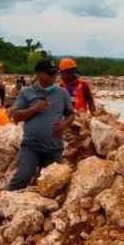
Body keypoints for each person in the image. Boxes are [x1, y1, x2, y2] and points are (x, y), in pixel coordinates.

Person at [7, 58, 75, 191]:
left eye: (55, 73)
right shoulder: (26, 93)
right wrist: (34, 109)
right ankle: (3, 208)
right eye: (49, 73)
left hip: (54, 147)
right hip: (31, 145)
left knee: (54, 184)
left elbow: (71, 114)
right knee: (23, 175)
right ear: (38, 74)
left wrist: (64, 124)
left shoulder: (62, 93)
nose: (53, 76)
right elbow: (15, 116)